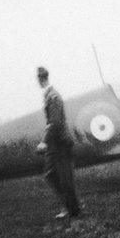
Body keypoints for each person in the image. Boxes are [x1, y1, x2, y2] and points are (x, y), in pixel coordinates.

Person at [35, 67, 81, 218]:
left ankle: (72, 210)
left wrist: (44, 142)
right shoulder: (50, 95)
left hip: (60, 143)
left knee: (65, 178)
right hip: (56, 144)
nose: (38, 82)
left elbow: (55, 123)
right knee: (50, 174)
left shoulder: (53, 96)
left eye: (38, 79)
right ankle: (69, 206)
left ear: (41, 79)